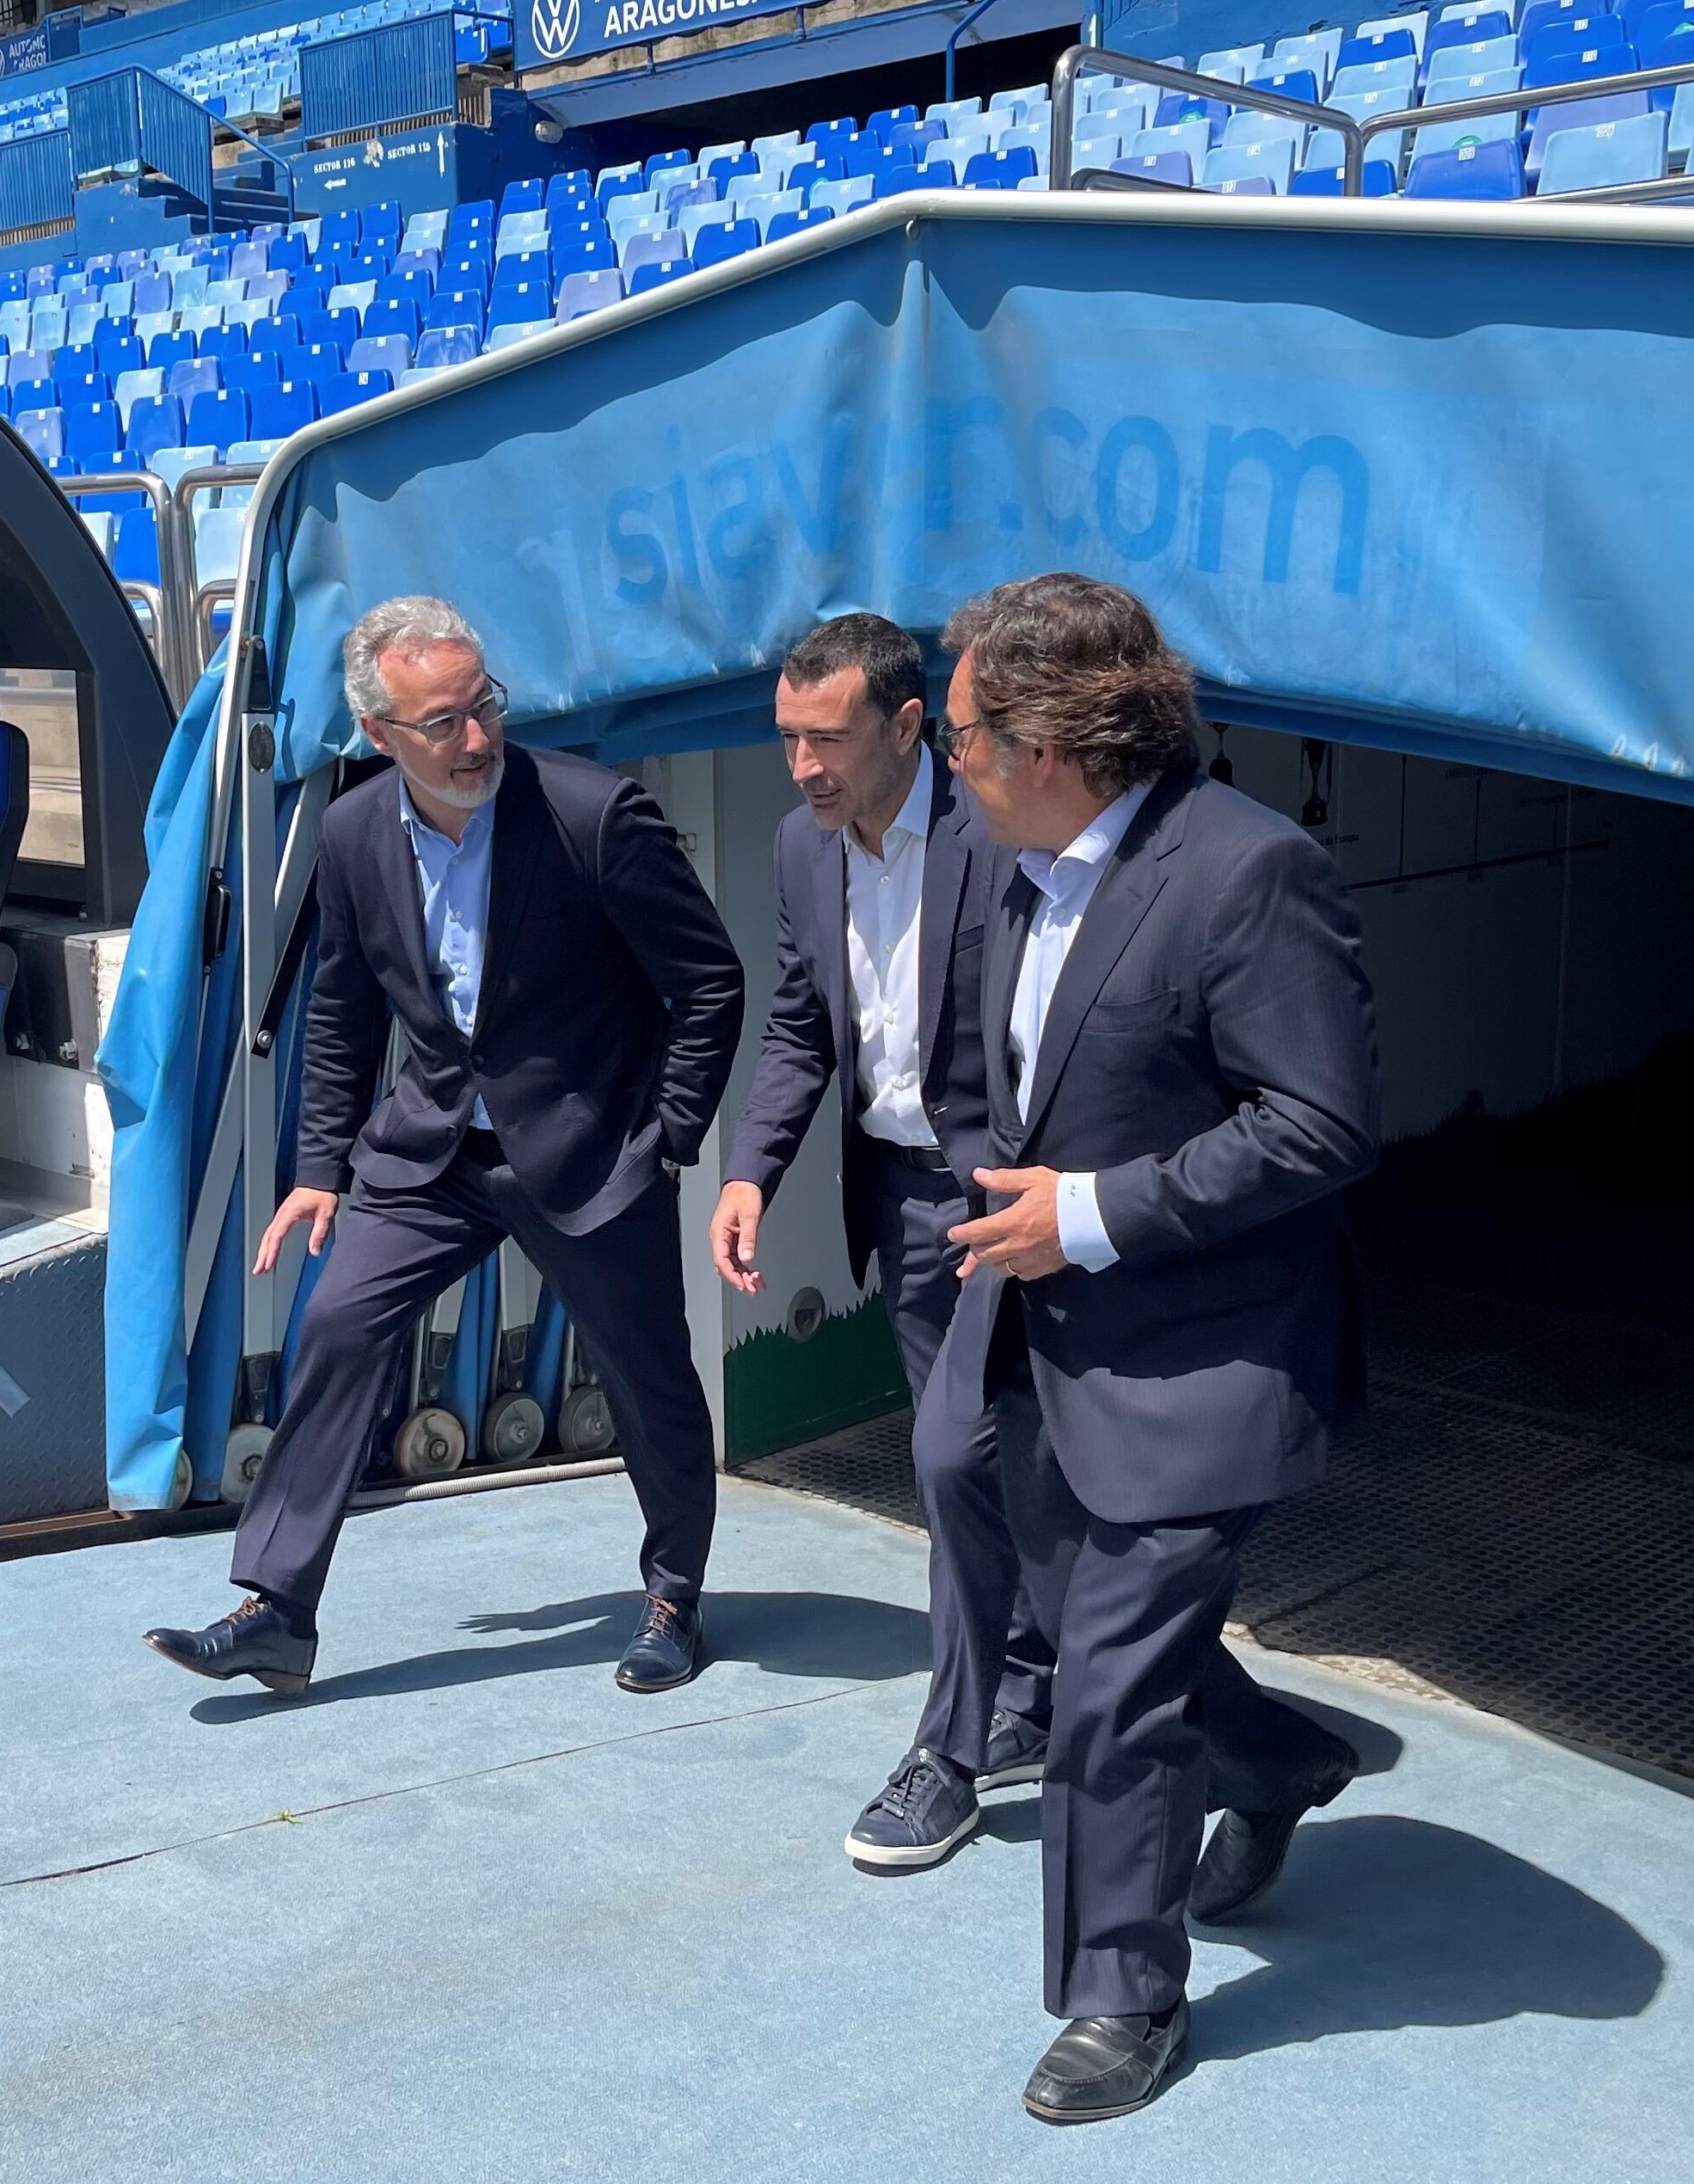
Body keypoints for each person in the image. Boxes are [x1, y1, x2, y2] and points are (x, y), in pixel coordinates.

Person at [929, 574, 1380, 2124]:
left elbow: (1318, 1122)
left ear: (1052, 742)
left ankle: (1124, 1992)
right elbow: (1014, 1085)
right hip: (1043, 1340)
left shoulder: (1251, 875)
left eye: (965, 733)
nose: (948, 759)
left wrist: (1098, 1215)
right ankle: (1275, 1763)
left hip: (1200, 1357)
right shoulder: (1015, 861)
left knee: (1107, 1689)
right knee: (1130, 1652)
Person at [144, 597, 745, 1697]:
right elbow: (342, 1014)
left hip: (593, 1151)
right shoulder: (351, 831)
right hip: (431, 1156)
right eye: (442, 723)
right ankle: (278, 1608)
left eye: (484, 709)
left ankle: (674, 1597)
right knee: (334, 1325)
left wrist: (665, 1138)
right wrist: (320, 1170)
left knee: (649, 1376)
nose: (474, 740)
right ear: (379, 734)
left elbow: (710, 983)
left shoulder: (594, 815)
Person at [709, 613, 1058, 1873]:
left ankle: (953, 1751)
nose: (803, 765)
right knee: (973, 1464)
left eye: (828, 738)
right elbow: (805, 1025)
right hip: (900, 1206)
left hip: (1004, 1196)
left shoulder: (998, 829)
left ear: (910, 726)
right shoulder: (805, 850)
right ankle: (1029, 1692)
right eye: (787, 738)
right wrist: (750, 1171)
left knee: (960, 1454)